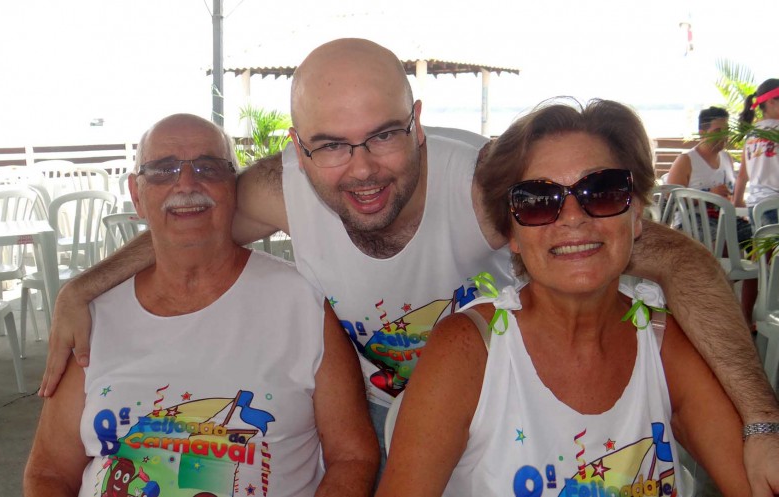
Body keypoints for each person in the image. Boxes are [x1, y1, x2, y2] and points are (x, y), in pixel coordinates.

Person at [40, 39, 778, 490]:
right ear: (299, 149)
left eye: (384, 135)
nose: (361, 168)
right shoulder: (281, 189)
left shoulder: (488, 188)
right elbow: (190, 213)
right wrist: (84, 287)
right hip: (380, 404)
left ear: (418, 123)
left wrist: (761, 422)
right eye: (332, 144)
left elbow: (671, 258)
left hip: (517, 386)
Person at [376, 99, 749, 497]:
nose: (572, 217)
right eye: (538, 201)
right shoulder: (469, 350)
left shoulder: (662, 343)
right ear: (512, 233)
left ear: (636, 213)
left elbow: (749, 476)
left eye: (601, 191)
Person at [24, 114, 378, 497]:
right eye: (163, 170)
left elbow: (352, 456)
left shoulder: (301, 303)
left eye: (208, 168)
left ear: (234, 189)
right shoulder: (92, 318)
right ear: (136, 195)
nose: (186, 183)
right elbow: (49, 472)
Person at [666, 106, 751, 243]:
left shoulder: (727, 158)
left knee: (758, 236)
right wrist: (709, 195)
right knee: (723, 241)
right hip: (693, 222)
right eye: (718, 131)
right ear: (702, 133)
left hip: (725, 218)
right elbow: (672, 198)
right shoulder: (686, 160)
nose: (724, 136)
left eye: (727, 131)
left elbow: (734, 195)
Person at [733, 78, 779, 225]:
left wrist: (737, 202)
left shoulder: (752, 134)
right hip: (776, 205)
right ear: (771, 102)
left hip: (756, 208)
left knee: (763, 240)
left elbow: (743, 175)